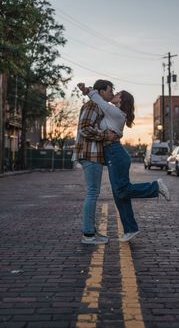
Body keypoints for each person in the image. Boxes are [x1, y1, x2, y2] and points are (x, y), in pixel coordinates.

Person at [78, 83, 171, 242]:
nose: (114, 93)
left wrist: (87, 91)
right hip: (113, 153)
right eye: (112, 91)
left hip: (115, 153)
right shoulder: (112, 112)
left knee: (121, 191)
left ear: (121, 100)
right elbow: (99, 104)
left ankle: (155, 186)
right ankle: (130, 228)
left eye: (117, 93)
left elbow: (98, 100)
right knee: (119, 194)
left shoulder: (116, 112)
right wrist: (88, 92)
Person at [75, 79, 118, 245]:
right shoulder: (92, 105)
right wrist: (105, 135)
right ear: (101, 92)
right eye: (109, 91)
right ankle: (88, 234)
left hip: (93, 154)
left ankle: (91, 231)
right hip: (90, 153)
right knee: (92, 193)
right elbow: (84, 128)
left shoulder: (98, 106)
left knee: (93, 192)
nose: (111, 94)